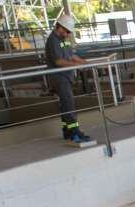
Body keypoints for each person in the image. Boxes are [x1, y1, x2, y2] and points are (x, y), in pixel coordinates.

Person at [45, 14, 91, 143]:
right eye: (66, 31)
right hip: (59, 78)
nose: (67, 34)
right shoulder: (53, 40)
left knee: (66, 104)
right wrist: (77, 66)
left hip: (66, 77)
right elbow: (59, 61)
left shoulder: (62, 39)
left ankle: (67, 131)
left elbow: (71, 56)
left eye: (69, 32)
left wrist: (84, 62)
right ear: (59, 27)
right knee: (69, 104)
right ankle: (74, 132)